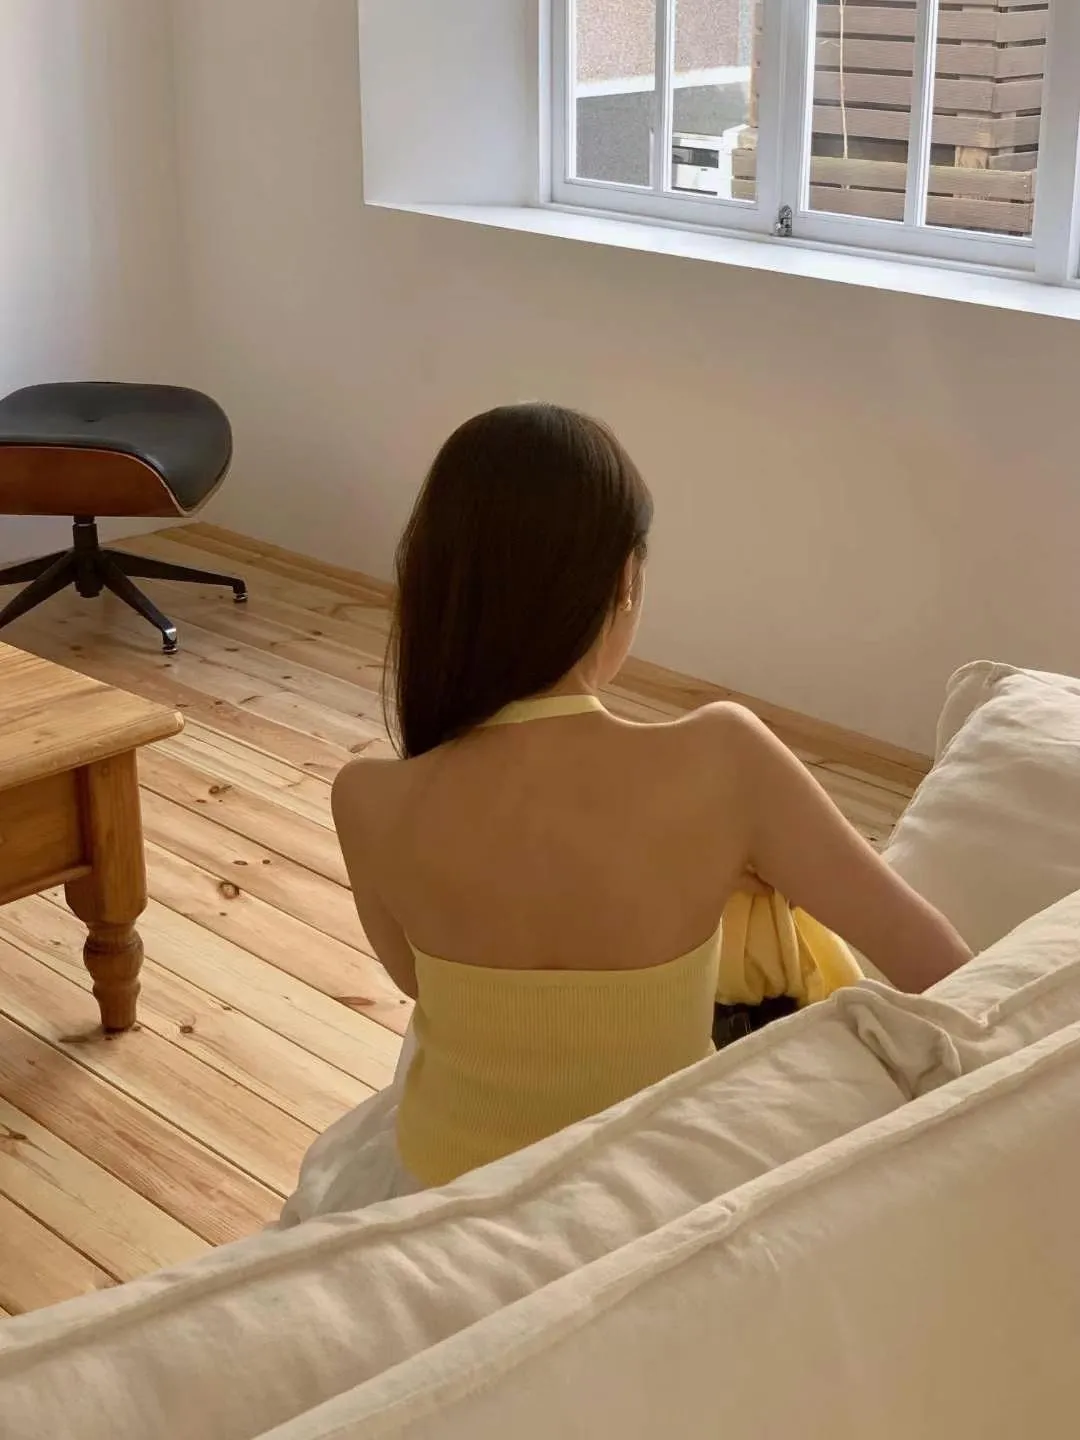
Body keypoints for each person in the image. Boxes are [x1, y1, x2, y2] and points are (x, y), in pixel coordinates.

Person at [279, 403, 971, 1222]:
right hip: (651, 1198)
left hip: (443, 1201)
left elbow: (424, 985)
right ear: (624, 583)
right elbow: (936, 961)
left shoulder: (366, 798)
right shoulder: (724, 759)